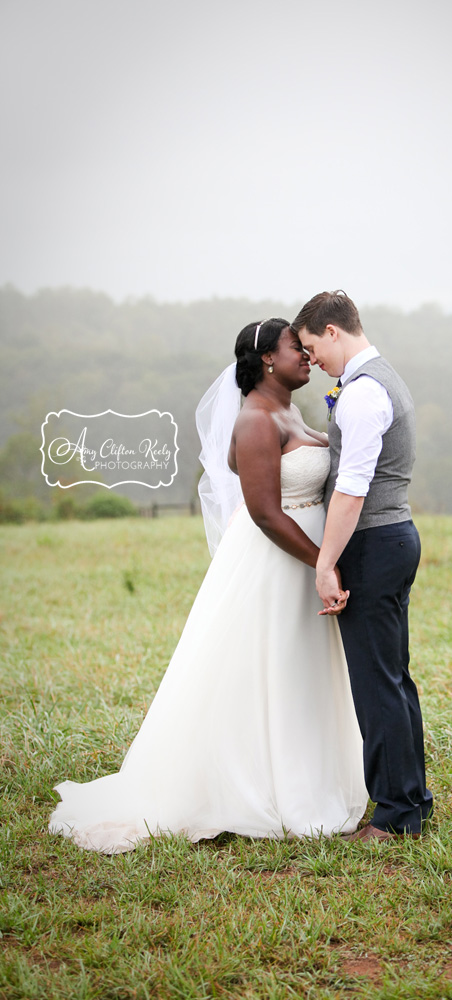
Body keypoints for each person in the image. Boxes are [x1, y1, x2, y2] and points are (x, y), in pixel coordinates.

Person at [49, 319, 367, 853]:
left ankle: (310, 775)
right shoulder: (256, 418)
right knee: (270, 667)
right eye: (297, 349)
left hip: (302, 558)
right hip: (278, 559)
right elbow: (265, 513)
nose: (307, 357)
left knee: (299, 668)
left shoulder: (287, 408)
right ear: (267, 358)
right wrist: (322, 563)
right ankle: (258, 786)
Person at [292, 291, 433, 842]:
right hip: (391, 537)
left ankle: (396, 817)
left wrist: (326, 564)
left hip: (373, 543)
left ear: (332, 331)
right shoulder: (377, 381)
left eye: (311, 347)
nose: (312, 361)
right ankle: (412, 801)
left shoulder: (362, 393)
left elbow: (352, 489)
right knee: (393, 679)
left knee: (377, 683)